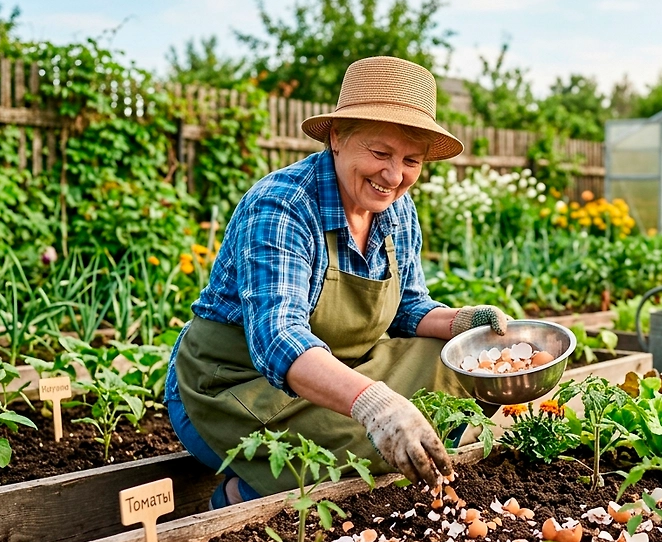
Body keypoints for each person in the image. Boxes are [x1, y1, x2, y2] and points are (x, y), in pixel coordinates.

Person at [164, 56, 509, 508]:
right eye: (380, 154)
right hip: (238, 390)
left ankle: (395, 470)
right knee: (370, 438)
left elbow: (408, 309)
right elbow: (278, 339)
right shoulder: (283, 206)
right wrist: (375, 404)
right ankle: (236, 499)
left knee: (461, 368)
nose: (394, 176)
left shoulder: (397, 209)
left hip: (342, 371)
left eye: (411, 161)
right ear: (337, 137)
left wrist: (464, 323)